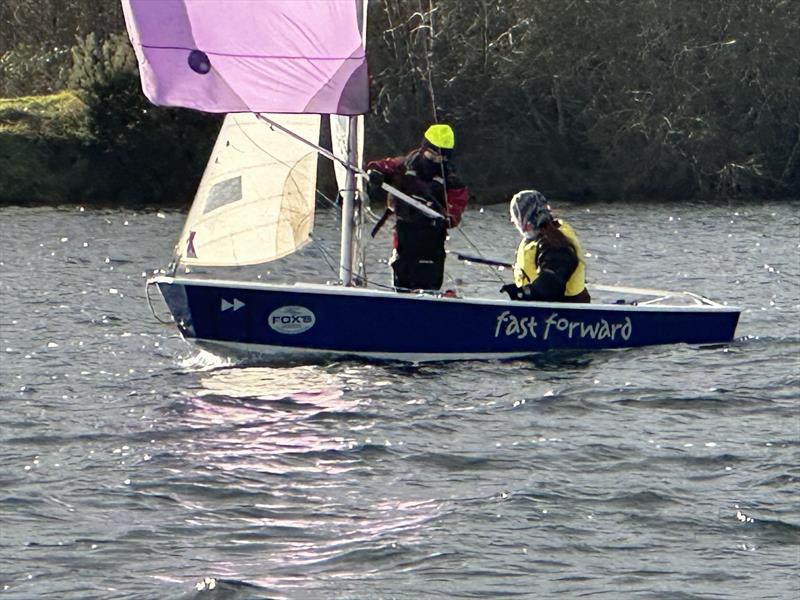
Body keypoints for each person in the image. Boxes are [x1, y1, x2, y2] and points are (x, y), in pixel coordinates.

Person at [365, 124, 469, 291]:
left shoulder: (452, 181)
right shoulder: (405, 165)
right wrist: (375, 173)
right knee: (402, 284)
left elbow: (456, 207)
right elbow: (379, 166)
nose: (434, 161)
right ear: (423, 149)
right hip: (404, 241)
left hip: (432, 244)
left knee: (429, 286)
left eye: (440, 159)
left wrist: (448, 215)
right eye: (432, 155)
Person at [500, 190, 591, 303]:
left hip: (566, 313)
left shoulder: (555, 244)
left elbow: (551, 282)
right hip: (540, 308)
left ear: (525, 220)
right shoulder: (539, 238)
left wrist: (524, 292)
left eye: (515, 217)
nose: (512, 221)